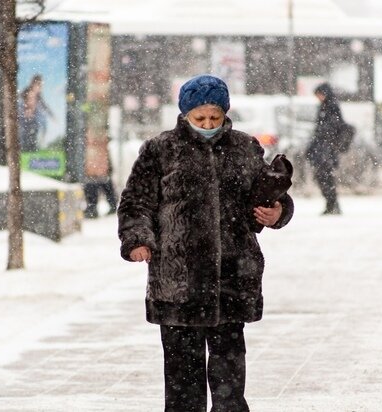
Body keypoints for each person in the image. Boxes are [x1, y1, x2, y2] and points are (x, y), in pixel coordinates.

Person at [117, 74, 294, 412]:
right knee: (183, 383)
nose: (208, 124)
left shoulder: (245, 147)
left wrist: (278, 210)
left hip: (231, 276)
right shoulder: (160, 150)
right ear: (184, 114)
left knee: (229, 382)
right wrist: (137, 240)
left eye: (215, 117)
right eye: (200, 118)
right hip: (178, 281)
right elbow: (136, 203)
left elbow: (267, 195)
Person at [307, 82, 343, 215]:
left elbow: (332, 127)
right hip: (324, 149)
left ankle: (332, 203)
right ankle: (332, 203)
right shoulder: (326, 106)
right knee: (325, 177)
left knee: (325, 177)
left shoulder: (330, 107)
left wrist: (323, 139)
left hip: (325, 149)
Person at [18, 74, 54, 152]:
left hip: (32, 120)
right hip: (24, 120)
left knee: (33, 136)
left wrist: (52, 116)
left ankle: (36, 145)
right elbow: (20, 103)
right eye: (39, 85)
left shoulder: (38, 96)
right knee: (25, 137)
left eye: (41, 85)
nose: (40, 88)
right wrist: (26, 111)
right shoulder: (26, 92)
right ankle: (29, 147)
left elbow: (44, 106)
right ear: (34, 84)